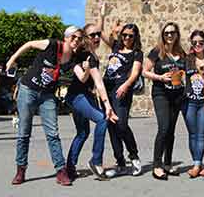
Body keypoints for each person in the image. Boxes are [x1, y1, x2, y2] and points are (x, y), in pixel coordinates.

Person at [5, 26, 81, 186]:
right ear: (66, 37)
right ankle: (21, 170)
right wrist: (12, 59)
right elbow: (30, 44)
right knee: (23, 133)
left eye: (79, 38)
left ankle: (61, 171)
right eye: (73, 37)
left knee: (53, 133)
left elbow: (81, 73)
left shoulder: (72, 57)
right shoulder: (53, 45)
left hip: (47, 95)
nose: (76, 41)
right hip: (28, 90)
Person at [65, 24, 118, 181]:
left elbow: (91, 82)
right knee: (102, 119)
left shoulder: (86, 54)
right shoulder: (87, 56)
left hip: (79, 96)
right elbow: (97, 81)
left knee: (82, 133)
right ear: (85, 39)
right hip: (78, 97)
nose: (96, 37)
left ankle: (69, 168)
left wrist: (101, 17)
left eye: (98, 34)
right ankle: (96, 162)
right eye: (92, 35)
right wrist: (107, 105)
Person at [142, 22, 187, 180]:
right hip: (161, 93)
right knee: (164, 127)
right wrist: (160, 77)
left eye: (172, 32)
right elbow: (145, 71)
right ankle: (157, 165)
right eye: (166, 33)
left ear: (177, 34)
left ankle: (167, 163)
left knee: (171, 131)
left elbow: (186, 71)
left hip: (177, 94)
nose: (169, 35)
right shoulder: (157, 52)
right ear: (163, 35)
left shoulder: (181, 53)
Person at [103, 23, 144, 178]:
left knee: (121, 124)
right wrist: (102, 16)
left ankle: (133, 156)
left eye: (130, 36)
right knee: (111, 126)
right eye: (124, 35)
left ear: (135, 37)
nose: (127, 38)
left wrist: (126, 85)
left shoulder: (136, 53)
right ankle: (120, 162)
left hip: (122, 90)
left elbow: (135, 72)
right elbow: (100, 33)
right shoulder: (115, 47)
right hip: (107, 89)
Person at [182, 30, 204, 178]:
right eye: (195, 43)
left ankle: (197, 165)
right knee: (192, 134)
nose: (198, 45)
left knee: (201, 135)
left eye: (201, 42)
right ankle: (197, 164)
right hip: (189, 102)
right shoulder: (187, 60)